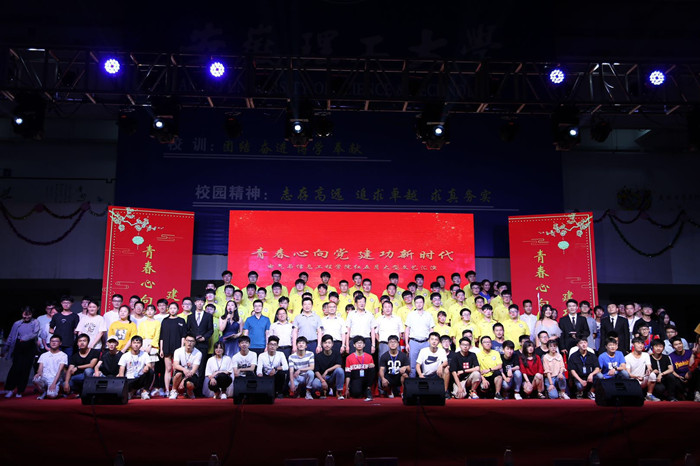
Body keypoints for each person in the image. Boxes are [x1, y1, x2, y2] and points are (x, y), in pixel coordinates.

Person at [3, 307, 40, 398]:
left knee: (25, 369)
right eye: (25, 315)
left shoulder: (35, 322)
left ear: (32, 314)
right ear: (22, 314)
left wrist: (25, 338)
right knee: (15, 368)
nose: (27, 317)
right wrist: (5, 348)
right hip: (19, 346)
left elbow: (35, 333)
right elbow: (11, 336)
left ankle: (20, 391)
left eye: (29, 315)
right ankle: (10, 389)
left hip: (30, 347)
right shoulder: (17, 323)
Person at [404, 295, 435, 377]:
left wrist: (431, 342)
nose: (419, 304)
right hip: (414, 342)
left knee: (426, 365)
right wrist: (407, 343)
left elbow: (431, 329)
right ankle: (412, 383)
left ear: (423, 303)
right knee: (412, 365)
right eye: (417, 302)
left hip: (426, 342)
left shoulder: (428, 315)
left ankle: (426, 382)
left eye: (420, 302)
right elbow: (407, 329)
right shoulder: (411, 315)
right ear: (414, 304)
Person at [187, 297, 214, 384]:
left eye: (201, 302)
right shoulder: (190, 317)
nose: (199, 303)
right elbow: (188, 330)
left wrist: (204, 338)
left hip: (203, 344)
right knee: (190, 365)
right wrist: (193, 338)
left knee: (202, 366)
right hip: (192, 344)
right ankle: (190, 386)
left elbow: (211, 330)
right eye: (198, 301)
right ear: (195, 303)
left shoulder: (208, 316)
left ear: (204, 303)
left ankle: (199, 388)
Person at [118, 335, 154, 400]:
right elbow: (121, 371)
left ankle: (145, 392)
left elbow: (149, 364)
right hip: (129, 379)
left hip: (139, 378)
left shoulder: (145, 354)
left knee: (151, 372)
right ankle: (130, 392)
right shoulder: (125, 356)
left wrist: (147, 367)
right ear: (131, 344)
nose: (136, 345)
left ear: (141, 345)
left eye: (138, 343)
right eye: (134, 343)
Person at [32, 335, 68, 399]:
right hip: (45, 377)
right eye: (52, 341)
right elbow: (40, 368)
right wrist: (39, 373)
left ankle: (59, 391)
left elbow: (60, 371)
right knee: (36, 379)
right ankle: (43, 391)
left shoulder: (63, 355)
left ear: (60, 343)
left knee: (51, 395)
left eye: (56, 341)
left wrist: (54, 383)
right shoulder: (44, 355)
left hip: (55, 378)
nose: (54, 343)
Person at [416, 332, 450, 398]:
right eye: (432, 339)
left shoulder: (442, 351)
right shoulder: (423, 351)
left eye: (436, 340)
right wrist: (420, 375)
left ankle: (445, 392)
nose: (434, 341)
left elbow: (445, 362)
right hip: (426, 375)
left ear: (439, 342)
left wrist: (441, 366)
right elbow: (417, 365)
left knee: (446, 369)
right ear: (428, 340)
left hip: (437, 374)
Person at [625, 337, 659, 401]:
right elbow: (628, 374)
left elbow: (649, 367)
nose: (640, 345)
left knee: (652, 375)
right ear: (633, 344)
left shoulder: (646, 355)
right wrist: (636, 377)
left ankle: (649, 395)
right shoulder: (627, 357)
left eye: (642, 343)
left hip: (643, 378)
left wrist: (649, 370)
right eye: (638, 343)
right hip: (633, 380)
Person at [312, 335, 345, 399]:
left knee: (340, 370)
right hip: (322, 377)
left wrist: (327, 371)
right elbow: (316, 371)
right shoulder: (318, 356)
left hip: (332, 377)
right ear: (322, 344)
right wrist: (322, 381)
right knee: (315, 384)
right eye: (325, 343)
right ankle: (323, 392)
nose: (327, 345)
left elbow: (339, 365)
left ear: (332, 344)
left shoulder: (336, 353)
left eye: (329, 343)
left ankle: (339, 392)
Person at [171, 334, 202, 399]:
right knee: (178, 374)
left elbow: (194, 370)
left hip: (191, 374)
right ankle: (174, 391)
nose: (189, 343)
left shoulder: (198, 353)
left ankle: (189, 391)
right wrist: (184, 369)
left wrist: (183, 380)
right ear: (184, 341)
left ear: (195, 342)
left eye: (192, 341)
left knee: (189, 384)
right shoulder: (178, 351)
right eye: (188, 340)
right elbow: (175, 365)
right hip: (182, 372)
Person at [344, 336, 375, 401]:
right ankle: (361, 391)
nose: (359, 345)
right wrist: (347, 389)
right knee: (357, 394)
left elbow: (371, 373)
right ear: (354, 345)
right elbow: (348, 374)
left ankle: (368, 389)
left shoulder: (369, 357)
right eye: (357, 343)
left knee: (372, 368)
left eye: (361, 343)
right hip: (356, 379)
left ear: (364, 345)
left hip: (366, 379)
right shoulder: (349, 358)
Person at [669, 336, 695, 401]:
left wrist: (690, 372)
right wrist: (679, 377)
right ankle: (679, 395)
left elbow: (694, 365)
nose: (679, 346)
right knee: (671, 377)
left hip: (690, 375)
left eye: (680, 343)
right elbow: (671, 370)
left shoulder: (690, 353)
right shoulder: (670, 356)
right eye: (676, 345)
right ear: (673, 347)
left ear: (682, 344)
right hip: (678, 377)